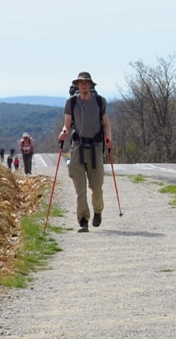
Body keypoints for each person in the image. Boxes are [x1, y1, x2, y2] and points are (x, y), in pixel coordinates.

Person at [58, 71, 113, 233]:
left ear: (90, 85)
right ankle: (83, 220)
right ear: (77, 85)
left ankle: (98, 210)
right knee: (79, 188)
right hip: (77, 148)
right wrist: (63, 133)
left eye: (86, 82)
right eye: (80, 82)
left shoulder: (100, 101)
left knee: (96, 186)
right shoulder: (71, 102)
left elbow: (106, 124)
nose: (83, 85)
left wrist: (108, 138)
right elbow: (67, 125)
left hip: (95, 147)